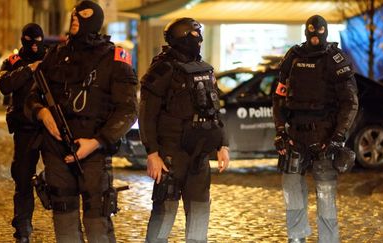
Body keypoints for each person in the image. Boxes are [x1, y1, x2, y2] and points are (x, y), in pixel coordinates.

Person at [25, 1, 138, 242]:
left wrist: (97, 142)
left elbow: (128, 111)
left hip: (93, 153)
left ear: (96, 20)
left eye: (83, 14)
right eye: (74, 13)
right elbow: (32, 97)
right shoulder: (56, 55)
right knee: (64, 222)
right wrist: (42, 113)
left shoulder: (114, 59)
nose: (76, 17)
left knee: (97, 223)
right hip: (56, 152)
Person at [139, 17, 230, 243]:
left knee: (200, 214)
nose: (198, 40)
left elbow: (214, 110)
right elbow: (147, 115)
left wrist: (222, 144)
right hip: (170, 155)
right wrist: (152, 153)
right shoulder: (162, 69)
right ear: (182, 37)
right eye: (194, 35)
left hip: (198, 156)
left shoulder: (204, 69)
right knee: (164, 214)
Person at [272, 15, 358, 243]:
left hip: (324, 137)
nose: (315, 36)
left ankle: (328, 240)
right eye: (311, 31)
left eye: (319, 31)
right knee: (291, 190)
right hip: (295, 136)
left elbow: (350, 102)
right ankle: (296, 236)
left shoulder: (335, 59)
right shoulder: (294, 57)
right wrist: (280, 130)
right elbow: (279, 96)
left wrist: (338, 137)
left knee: (326, 195)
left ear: (325, 32)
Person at [0, 23, 46, 242]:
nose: (35, 46)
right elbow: (4, 85)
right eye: (30, 41)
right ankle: (23, 225)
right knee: (23, 177)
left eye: (38, 41)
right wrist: (29, 70)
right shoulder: (13, 61)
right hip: (25, 128)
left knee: (61, 175)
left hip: (49, 126)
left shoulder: (51, 59)